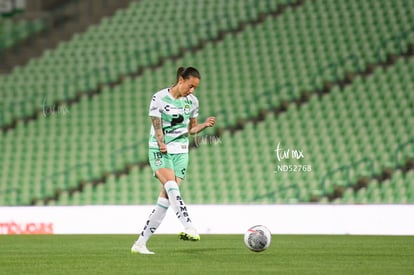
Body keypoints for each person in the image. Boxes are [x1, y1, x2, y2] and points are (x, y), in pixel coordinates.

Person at [131, 67, 216, 254]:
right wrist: (161, 142)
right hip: (160, 150)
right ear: (181, 80)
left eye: (195, 88)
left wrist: (203, 125)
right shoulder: (159, 98)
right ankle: (189, 226)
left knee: (166, 200)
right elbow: (156, 125)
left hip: (181, 152)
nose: (192, 90)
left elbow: (191, 129)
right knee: (171, 186)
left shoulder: (192, 102)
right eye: (190, 85)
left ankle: (140, 244)